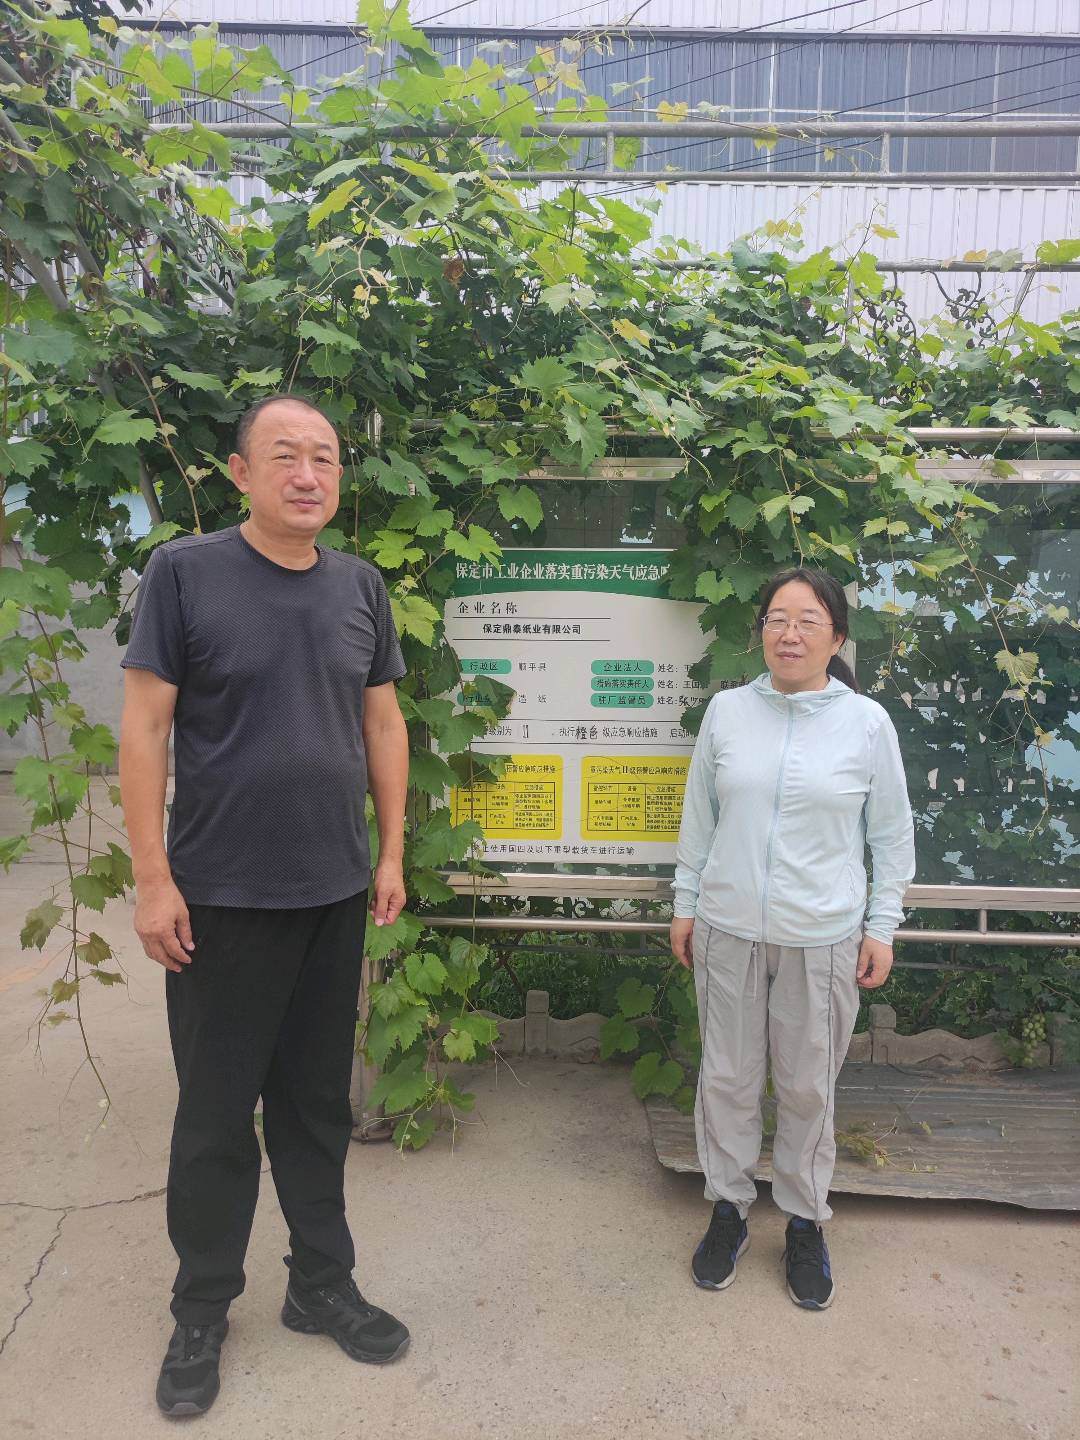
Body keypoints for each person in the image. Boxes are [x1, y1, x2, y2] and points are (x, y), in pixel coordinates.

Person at [119, 394, 412, 1417]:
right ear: (240, 472)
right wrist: (152, 878)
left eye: (324, 457)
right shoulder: (185, 574)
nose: (307, 474)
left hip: (333, 890)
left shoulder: (359, 587)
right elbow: (145, 727)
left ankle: (320, 1284)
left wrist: (391, 851)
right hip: (221, 899)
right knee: (214, 1116)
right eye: (285, 455)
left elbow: (383, 724)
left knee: (316, 1106)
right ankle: (202, 1306)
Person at [670, 568, 914, 1310]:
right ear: (762, 631)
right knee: (727, 1077)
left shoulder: (866, 723)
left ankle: (805, 1220)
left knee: (808, 1085)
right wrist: (685, 903)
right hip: (728, 927)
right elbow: (700, 819)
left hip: (823, 935)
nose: (790, 633)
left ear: (837, 638)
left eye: (808, 620)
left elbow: (891, 835)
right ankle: (729, 1208)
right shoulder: (728, 711)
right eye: (777, 618)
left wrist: (881, 926)